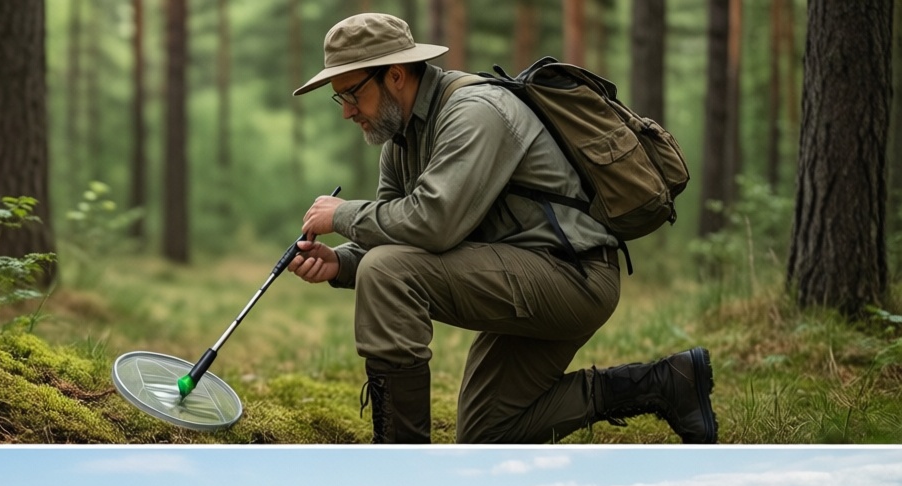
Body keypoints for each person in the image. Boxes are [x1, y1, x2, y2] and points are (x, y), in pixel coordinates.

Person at [288, 12, 718, 445]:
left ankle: (402, 458)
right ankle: (665, 384)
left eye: (351, 93)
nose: (346, 111)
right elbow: (399, 234)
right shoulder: (401, 142)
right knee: (486, 435)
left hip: (574, 277)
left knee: (387, 272)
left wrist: (342, 215)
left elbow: (433, 225)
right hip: (525, 275)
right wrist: (340, 263)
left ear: (395, 76)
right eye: (338, 97)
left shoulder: (474, 112)